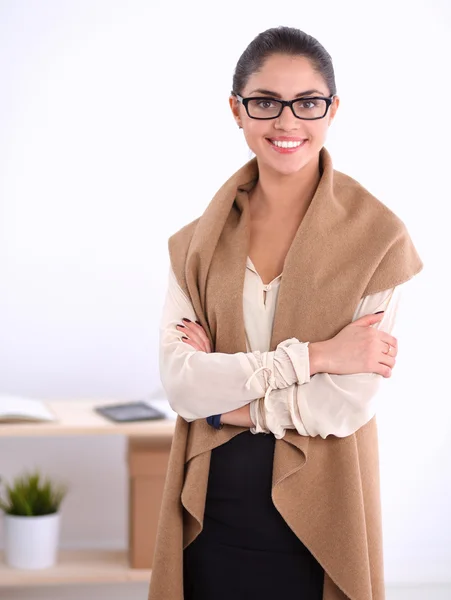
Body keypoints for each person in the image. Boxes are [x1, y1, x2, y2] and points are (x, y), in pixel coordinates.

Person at [148, 26, 423, 600]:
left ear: (333, 109)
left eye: (308, 102)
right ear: (237, 110)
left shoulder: (378, 241)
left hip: (320, 516)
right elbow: (182, 386)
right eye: (266, 102)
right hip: (212, 512)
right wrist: (319, 356)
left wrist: (226, 410)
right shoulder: (193, 245)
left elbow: (345, 404)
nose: (287, 121)